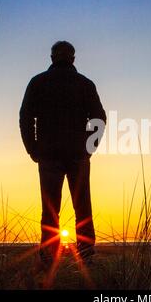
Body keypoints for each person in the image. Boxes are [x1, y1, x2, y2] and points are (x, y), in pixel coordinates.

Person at [19, 41, 106, 267]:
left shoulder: (38, 82)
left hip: (48, 155)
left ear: (51, 58)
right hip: (77, 154)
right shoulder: (85, 84)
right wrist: (88, 148)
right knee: (82, 207)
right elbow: (99, 118)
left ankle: (49, 259)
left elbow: (25, 118)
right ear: (73, 59)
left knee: (50, 210)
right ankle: (86, 256)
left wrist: (33, 149)